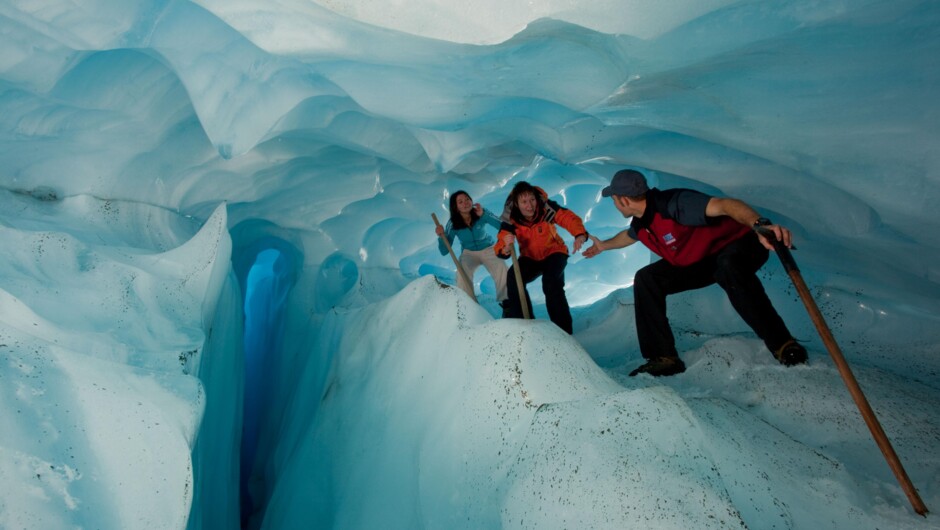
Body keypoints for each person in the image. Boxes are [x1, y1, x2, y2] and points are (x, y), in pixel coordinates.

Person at [582, 169, 808, 376]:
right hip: (704, 260)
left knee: (728, 267)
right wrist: (603, 246)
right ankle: (664, 358)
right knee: (647, 278)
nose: (614, 204)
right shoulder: (642, 222)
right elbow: (629, 237)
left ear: (623, 200)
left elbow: (725, 205)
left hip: (741, 244)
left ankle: (784, 345)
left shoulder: (675, 203)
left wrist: (760, 224)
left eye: (613, 200)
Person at [494, 181, 588, 334]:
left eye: (531, 200)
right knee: (513, 277)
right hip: (530, 257)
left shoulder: (546, 207)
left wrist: (579, 235)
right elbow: (501, 242)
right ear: (516, 204)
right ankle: (524, 323)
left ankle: (564, 332)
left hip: (554, 252)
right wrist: (504, 247)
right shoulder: (510, 219)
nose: (530, 205)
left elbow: (567, 217)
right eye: (524, 202)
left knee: (551, 282)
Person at [436, 190, 509, 303]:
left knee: (502, 268)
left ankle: (507, 302)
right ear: (455, 207)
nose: (465, 203)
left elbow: (502, 226)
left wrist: (483, 215)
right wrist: (442, 236)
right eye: (460, 202)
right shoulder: (453, 223)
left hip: (488, 248)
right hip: (468, 253)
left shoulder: (481, 212)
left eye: (467, 199)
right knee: (461, 273)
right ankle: (469, 304)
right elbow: (445, 250)